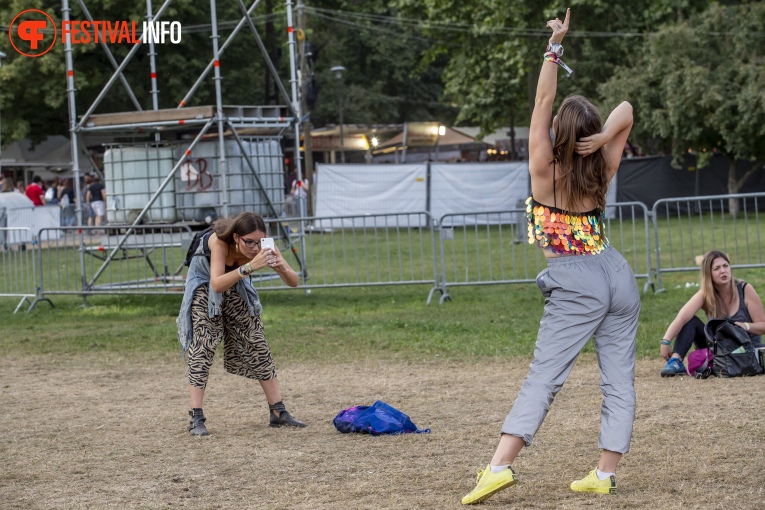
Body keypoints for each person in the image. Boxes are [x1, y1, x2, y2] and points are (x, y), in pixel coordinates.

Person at [461, 9, 639, 504]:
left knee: (545, 375)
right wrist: (605, 137)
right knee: (618, 378)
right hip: (614, 270)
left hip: (575, 278)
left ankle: (499, 467)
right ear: (590, 131)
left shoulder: (545, 166)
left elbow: (543, 97)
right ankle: (604, 474)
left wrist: (553, 46)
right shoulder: (603, 164)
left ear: (560, 130)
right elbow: (626, 107)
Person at [176, 212, 306, 436]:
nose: (256, 248)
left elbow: (294, 281)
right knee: (203, 346)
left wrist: (279, 266)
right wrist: (250, 267)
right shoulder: (219, 242)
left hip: (237, 286)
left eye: (260, 241)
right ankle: (196, 417)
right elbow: (216, 284)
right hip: (205, 287)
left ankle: (278, 412)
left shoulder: (264, 247)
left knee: (257, 342)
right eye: (249, 242)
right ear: (236, 237)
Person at [659, 250, 765, 376]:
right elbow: (681, 318)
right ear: (708, 274)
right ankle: (676, 361)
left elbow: (762, 325)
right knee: (690, 321)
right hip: (719, 349)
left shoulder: (745, 289)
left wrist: (744, 326)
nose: (723, 271)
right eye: (717, 268)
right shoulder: (706, 294)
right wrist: (666, 341)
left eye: (726, 266)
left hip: (745, 350)